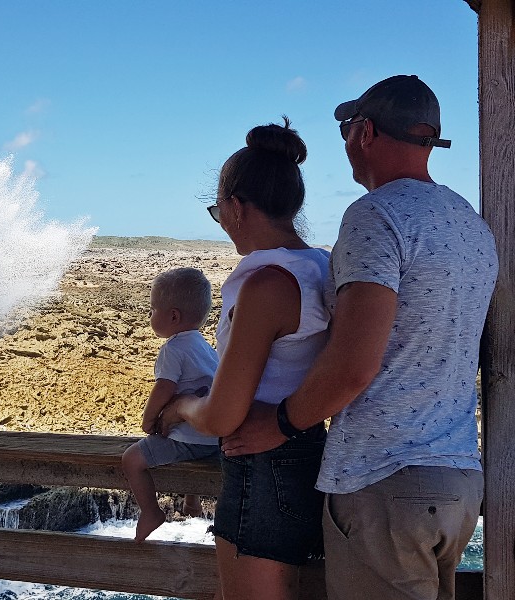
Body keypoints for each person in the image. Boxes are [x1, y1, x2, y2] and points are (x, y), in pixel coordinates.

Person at [221, 75, 499, 600]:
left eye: (348, 128)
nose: (346, 141)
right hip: (459, 479)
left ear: (365, 132)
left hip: (384, 479)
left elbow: (354, 363)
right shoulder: (470, 223)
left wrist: (280, 424)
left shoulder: (375, 216)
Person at [159, 118, 331, 600]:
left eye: (218, 211)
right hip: (304, 451)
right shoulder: (318, 266)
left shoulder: (266, 283)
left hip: (262, 465)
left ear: (236, 207)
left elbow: (223, 415)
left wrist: (181, 407)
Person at [121, 267, 220, 542]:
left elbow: (164, 388)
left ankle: (151, 512)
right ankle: (192, 500)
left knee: (132, 459)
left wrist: (148, 419)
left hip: (188, 439)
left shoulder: (173, 349)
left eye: (152, 310)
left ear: (173, 316)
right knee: (193, 449)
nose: (150, 316)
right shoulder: (204, 345)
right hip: (214, 439)